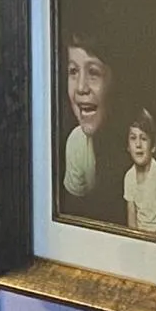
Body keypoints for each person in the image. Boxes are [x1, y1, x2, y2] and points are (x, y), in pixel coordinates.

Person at [61, 30, 112, 215]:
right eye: (73, 71)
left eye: (93, 72)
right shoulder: (77, 143)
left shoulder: (140, 142)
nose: (81, 88)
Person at [119, 111, 156, 241]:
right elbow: (131, 219)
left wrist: (152, 244)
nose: (138, 145)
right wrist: (137, 241)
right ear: (128, 146)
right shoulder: (129, 176)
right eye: (133, 138)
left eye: (144, 138)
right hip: (139, 238)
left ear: (153, 147)